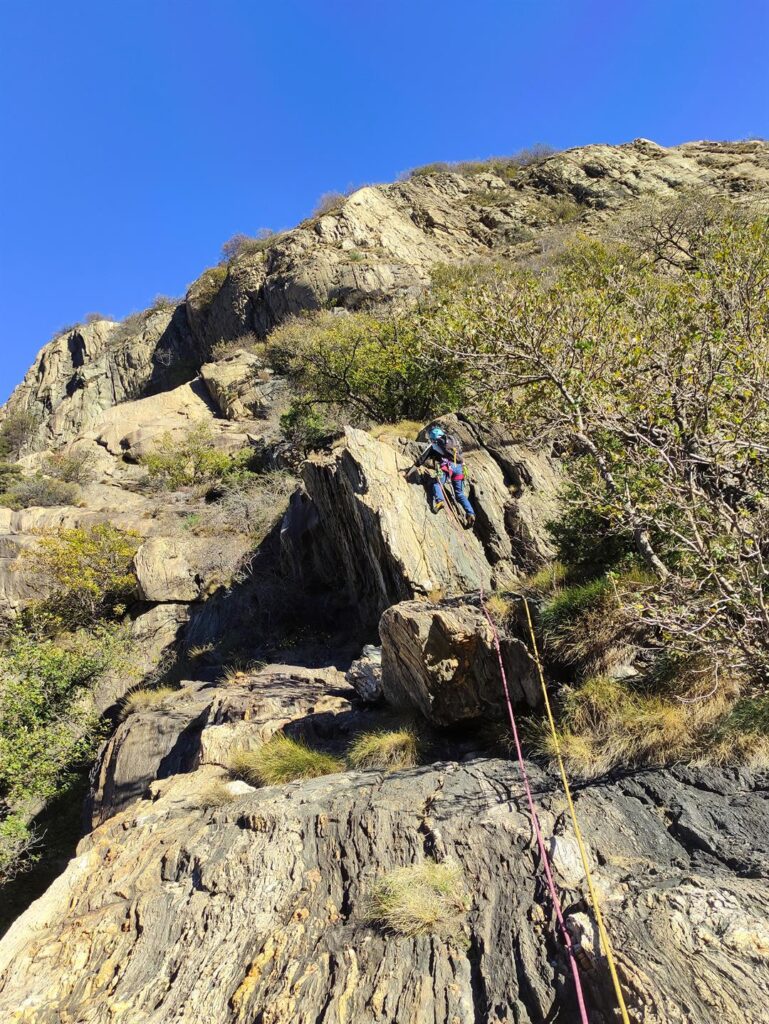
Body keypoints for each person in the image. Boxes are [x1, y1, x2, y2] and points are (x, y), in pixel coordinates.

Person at [404, 425, 476, 525]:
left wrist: (408, 473)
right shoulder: (452, 440)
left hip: (446, 467)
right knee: (459, 494)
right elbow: (459, 454)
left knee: (437, 483)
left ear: (431, 437)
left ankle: (440, 501)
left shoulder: (433, 445)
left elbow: (420, 460)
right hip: (459, 468)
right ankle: (470, 513)